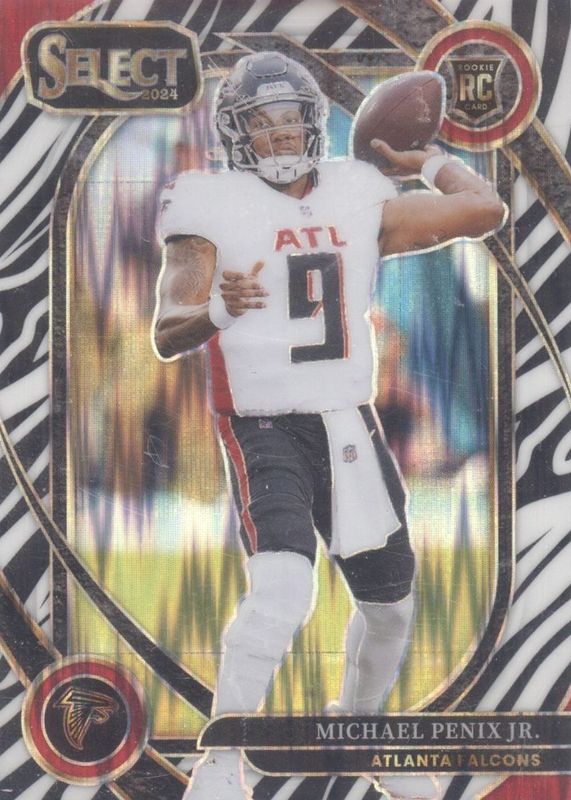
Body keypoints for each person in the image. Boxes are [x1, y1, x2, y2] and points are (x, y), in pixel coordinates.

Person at [153, 52, 505, 800]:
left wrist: (426, 158)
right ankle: (222, 756)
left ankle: (359, 732)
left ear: (314, 124)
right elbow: (167, 327)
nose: (281, 135)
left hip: (346, 419)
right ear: (236, 132)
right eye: (263, 122)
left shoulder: (356, 191)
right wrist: (218, 307)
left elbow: (484, 210)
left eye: (291, 120)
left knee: (392, 609)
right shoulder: (207, 202)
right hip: (262, 422)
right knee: (283, 588)